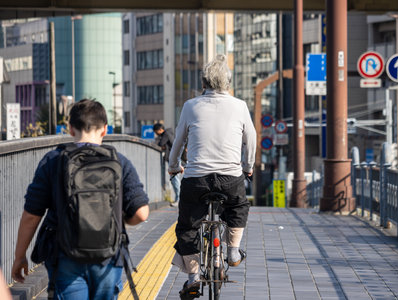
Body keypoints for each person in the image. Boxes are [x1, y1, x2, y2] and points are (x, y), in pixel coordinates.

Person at [11, 99, 150, 299]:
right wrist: (121, 220)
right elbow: (142, 213)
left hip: (65, 256)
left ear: (70, 129)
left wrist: (19, 257)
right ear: (105, 130)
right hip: (108, 258)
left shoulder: (53, 160)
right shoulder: (119, 161)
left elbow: (32, 215)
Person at [168, 54, 256, 298]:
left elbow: (178, 141)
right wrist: (248, 166)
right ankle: (234, 252)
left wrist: (174, 165)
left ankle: (193, 278)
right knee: (238, 206)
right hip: (231, 177)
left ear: (203, 83)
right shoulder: (239, 106)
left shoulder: (190, 105)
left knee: (188, 226)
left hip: (196, 178)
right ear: (228, 83)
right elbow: (252, 139)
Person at [154, 123, 181, 207]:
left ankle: (178, 199)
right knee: (175, 179)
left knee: (174, 179)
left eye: (156, 131)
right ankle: (178, 198)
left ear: (160, 129)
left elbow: (161, 144)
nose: (156, 133)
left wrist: (162, 145)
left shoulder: (166, 134)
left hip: (173, 159)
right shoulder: (170, 133)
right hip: (175, 157)